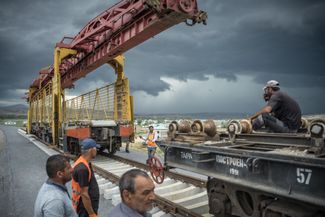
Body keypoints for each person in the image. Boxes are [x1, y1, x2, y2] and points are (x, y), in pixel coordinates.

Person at [72, 138, 100, 217]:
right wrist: (91, 214)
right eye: (96, 148)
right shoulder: (82, 169)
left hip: (85, 206)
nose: (96, 151)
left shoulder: (83, 163)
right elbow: (84, 194)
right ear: (91, 150)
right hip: (84, 208)